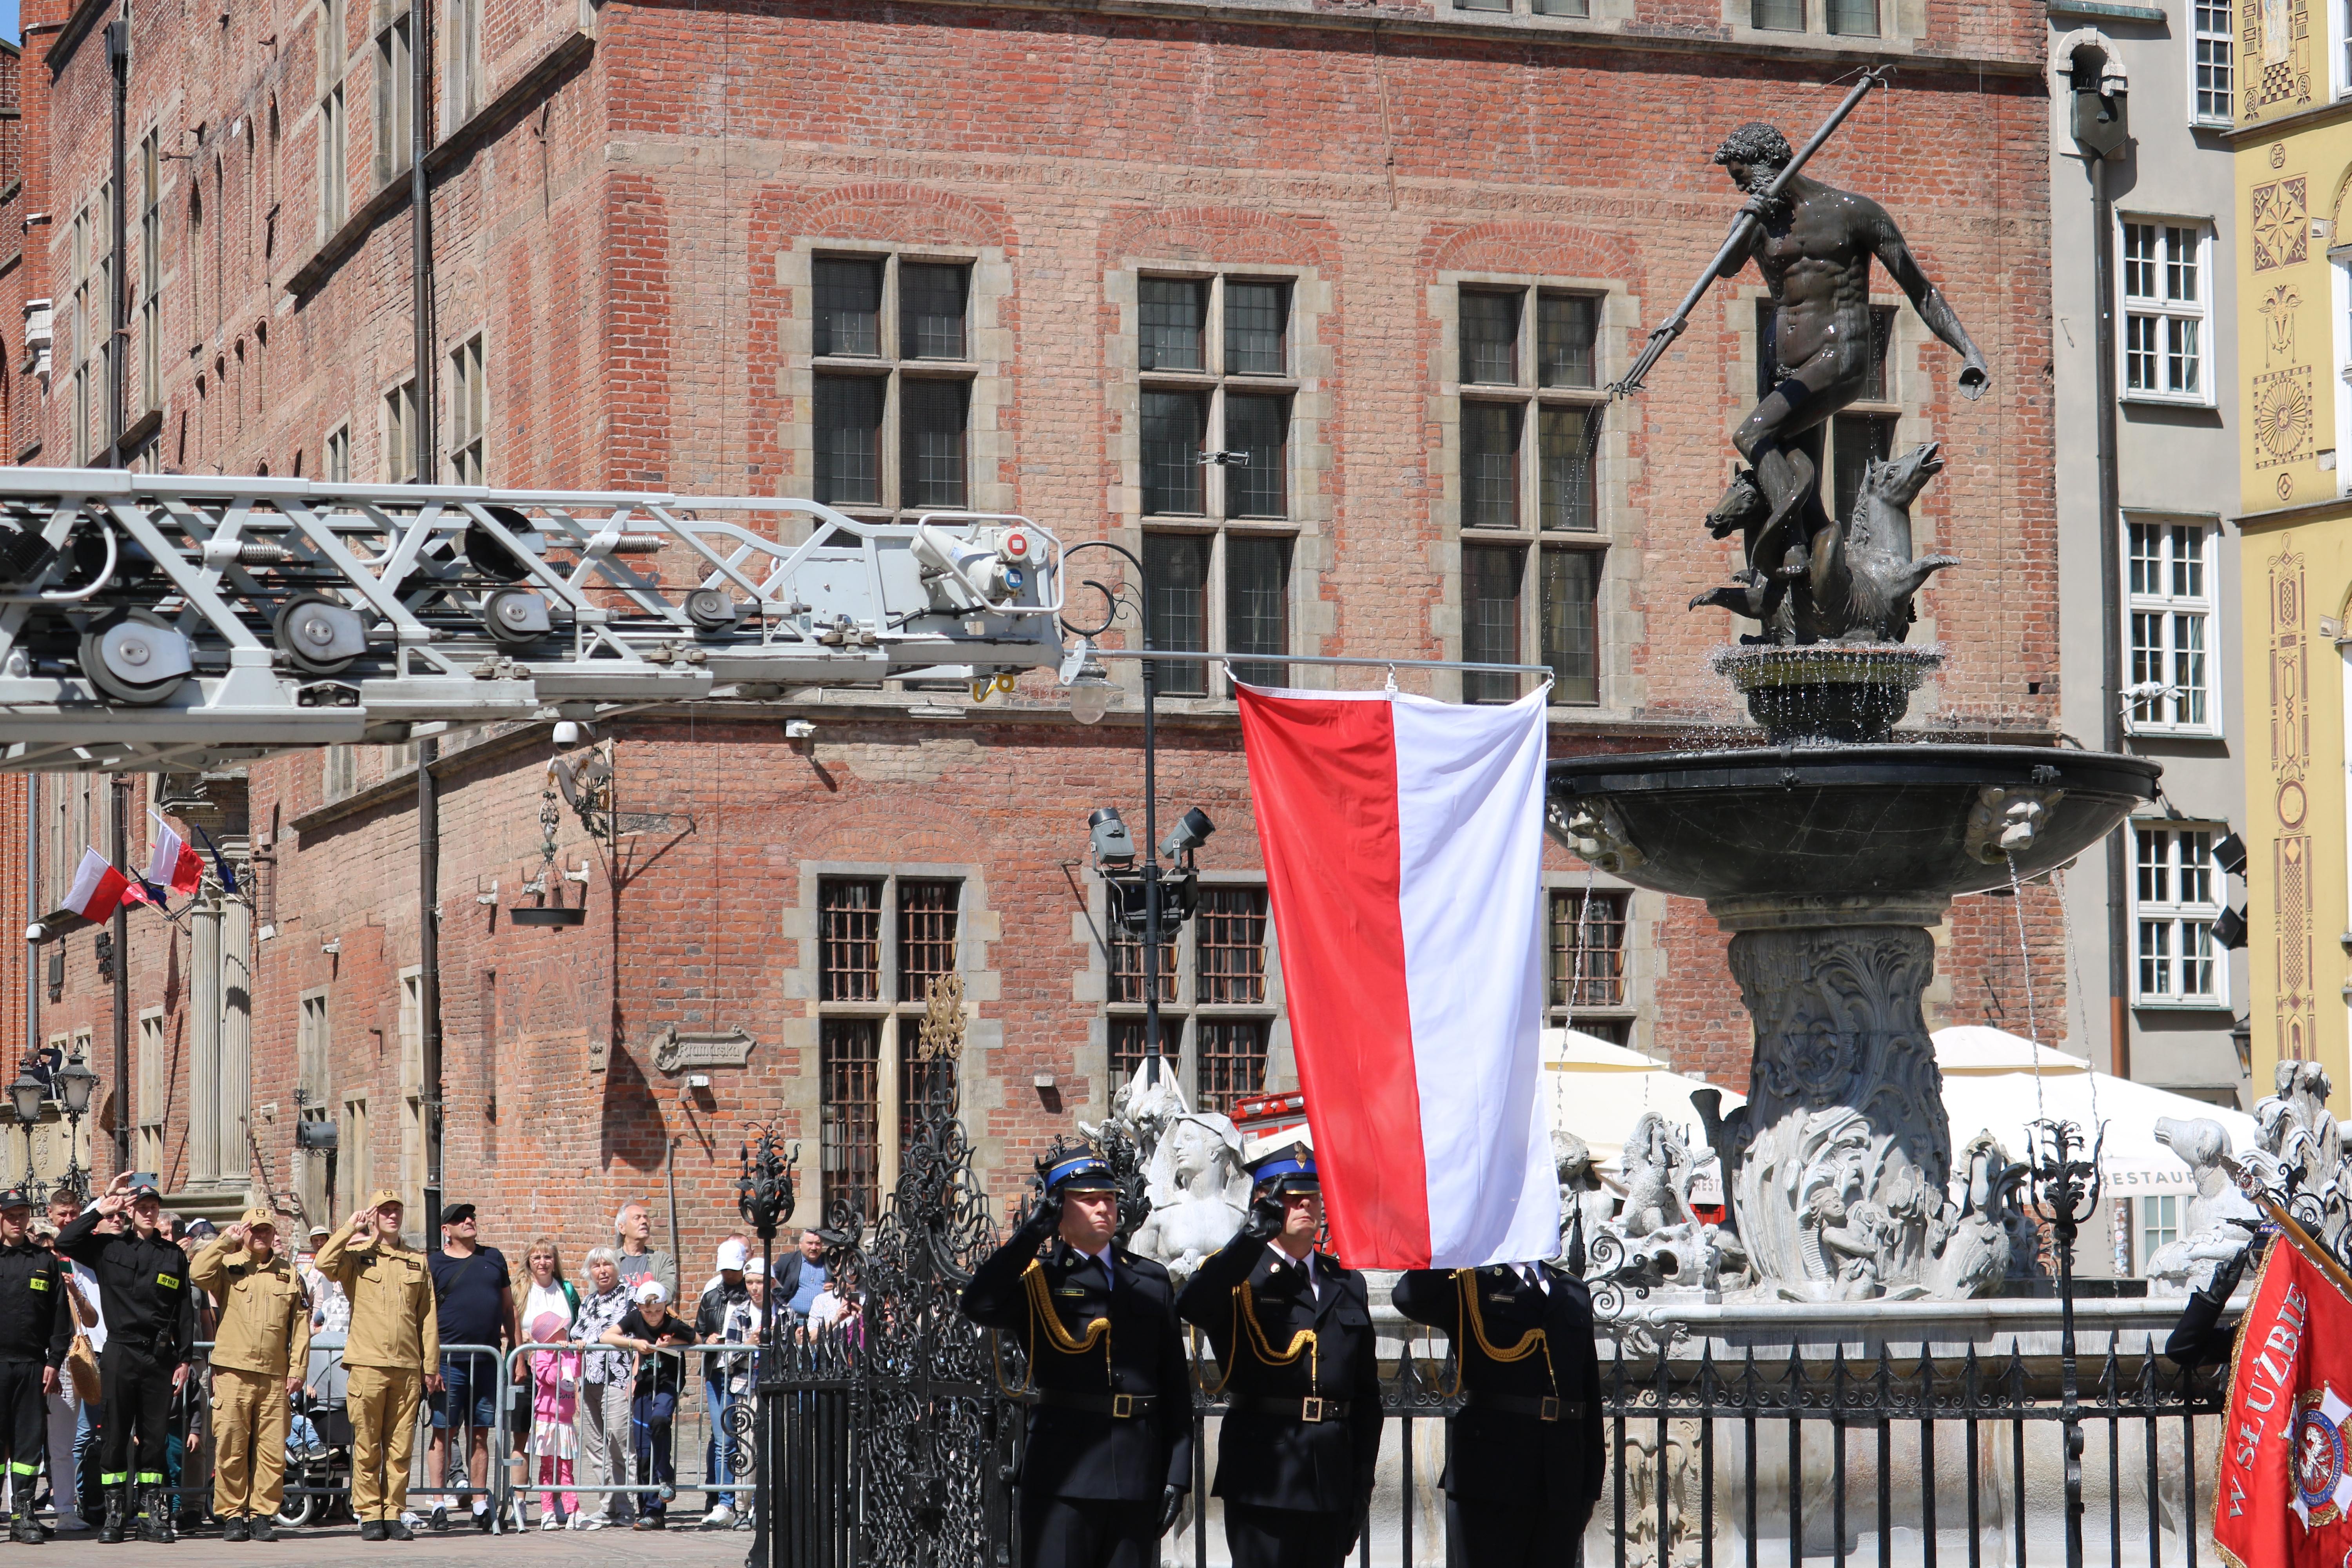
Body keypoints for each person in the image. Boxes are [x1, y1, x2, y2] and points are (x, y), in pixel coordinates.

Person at [1693, 120, 1991, 624]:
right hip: (1785, 368)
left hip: (1840, 357)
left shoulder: (1854, 213)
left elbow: (1919, 288)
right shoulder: (1760, 223)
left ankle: (1790, 545)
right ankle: (1826, 600)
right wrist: (1746, 219)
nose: (1741, 189)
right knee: (1799, 478)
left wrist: (1969, 350)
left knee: (1752, 435)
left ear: (1770, 163)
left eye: (1743, 178)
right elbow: (1724, 268)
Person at [960, 1141, 1192, 1568]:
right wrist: (1031, 1234)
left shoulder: (1151, 1279)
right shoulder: (1041, 1280)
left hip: (1136, 1471)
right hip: (1063, 1476)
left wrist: (1178, 1473)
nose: (1104, 1207)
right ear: (1059, 1210)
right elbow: (978, 1303)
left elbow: (1176, 1384)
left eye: (1109, 1198)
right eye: (1088, 1199)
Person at [1175, 1139, 1381, 1568]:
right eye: (1290, 1196)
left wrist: (1362, 1481)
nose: (1305, 1203)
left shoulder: (1347, 1282)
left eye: (1312, 1195)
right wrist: (1249, 1239)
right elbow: (1192, 1305)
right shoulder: (1237, 1273)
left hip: (1331, 1476)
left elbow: (1366, 1396)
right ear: (1264, 1202)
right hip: (1264, 1475)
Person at [1392, 1249, 1606, 1566]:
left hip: (1560, 1476)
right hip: (1490, 1476)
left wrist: (1590, 1483)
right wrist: (1460, 1244)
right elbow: (1409, 1297)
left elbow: (1588, 1390)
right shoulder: (1472, 1280)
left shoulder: (1572, 1289)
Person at [58, 1172, 194, 1544]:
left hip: (159, 1355)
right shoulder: (108, 1248)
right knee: (115, 1436)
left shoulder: (173, 1255)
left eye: (154, 1208)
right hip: (120, 1351)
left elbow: (184, 1310)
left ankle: (151, 1516)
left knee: (154, 1438)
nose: (149, 1213)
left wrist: (185, 1358)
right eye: (142, 1207)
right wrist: (101, 1208)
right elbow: (66, 1240)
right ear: (130, 1212)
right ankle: (115, 1517)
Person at [314, 1191, 441, 1543]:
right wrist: (349, 1228)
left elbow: (427, 1317)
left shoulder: (416, 1261)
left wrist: (431, 1365)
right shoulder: (358, 1257)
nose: (392, 1216)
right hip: (368, 1364)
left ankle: (393, 1512)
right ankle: (370, 1514)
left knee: (400, 1448)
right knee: (368, 1444)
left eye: (396, 1210)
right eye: (385, 1211)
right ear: (374, 1216)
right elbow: (324, 1263)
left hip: (406, 1365)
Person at [190, 1207, 312, 1543]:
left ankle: (261, 1515)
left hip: (274, 1375)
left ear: (274, 1234)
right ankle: (232, 1515)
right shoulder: (228, 1265)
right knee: (231, 1446)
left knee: (271, 1451)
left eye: (266, 1230)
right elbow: (197, 1272)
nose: (260, 1235)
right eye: (254, 1230)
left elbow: (301, 1325)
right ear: (244, 1232)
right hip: (234, 1371)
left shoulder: (289, 1273)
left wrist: (299, 1369)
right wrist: (224, 1241)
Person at [424, 1200, 514, 1533]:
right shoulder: (434, 1263)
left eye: (471, 1216)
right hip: (448, 1361)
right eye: (460, 1218)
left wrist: (517, 1352)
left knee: (480, 1433)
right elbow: (424, 1315)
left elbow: (509, 1308)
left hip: (487, 1359)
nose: (469, 1221)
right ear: (446, 1230)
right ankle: (438, 1503)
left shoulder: (494, 1258)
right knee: (443, 1432)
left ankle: (479, 1503)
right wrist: (428, 1364)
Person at [0, 1188, 69, 1544]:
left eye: (22, 1215)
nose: (17, 1221)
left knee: (28, 1447)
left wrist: (54, 1361)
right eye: (10, 1215)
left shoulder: (44, 1261)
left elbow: (60, 1317)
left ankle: (23, 1516)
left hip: (31, 1365)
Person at [601, 1279, 696, 1531]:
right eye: (647, 1311)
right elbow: (606, 1335)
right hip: (643, 1385)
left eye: (658, 1311)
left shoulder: (672, 1323)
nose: (653, 1316)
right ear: (639, 1308)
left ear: (665, 1306)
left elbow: (697, 1338)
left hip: (667, 1384)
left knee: (660, 1421)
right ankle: (650, 1511)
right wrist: (634, 1344)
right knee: (643, 1451)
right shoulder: (635, 1319)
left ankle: (666, 1476)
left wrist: (671, 1343)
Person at [506, 1239, 576, 1530]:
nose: (543, 1262)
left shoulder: (566, 1290)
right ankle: (519, 1500)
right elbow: (505, 1325)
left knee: (557, 1440)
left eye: (548, 1257)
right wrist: (521, 1348)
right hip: (527, 1369)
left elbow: (578, 1326)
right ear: (528, 1261)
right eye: (536, 1257)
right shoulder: (520, 1289)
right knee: (522, 1437)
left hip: (558, 1374)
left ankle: (556, 1500)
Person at [572, 1247, 635, 1529]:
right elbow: (579, 1335)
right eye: (596, 1266)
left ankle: (628, 1506)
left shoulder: (629, 1296)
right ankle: (608, 1505)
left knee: (620, 1442)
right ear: (590, 1272)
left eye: (607, 1265)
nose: (602, 1271)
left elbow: (635, 1333)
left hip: (617, 1377)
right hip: (589, 1380)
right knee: (596, 1446)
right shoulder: (587, 1302)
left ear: (616, 1268)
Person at [694, 1239, 753, 1529]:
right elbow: (698, 1331)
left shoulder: (752, 1294)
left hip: (744, 1373)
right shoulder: (712, 1295)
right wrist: (706, 1340)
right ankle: (724, 1501)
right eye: (725, 1269)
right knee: (723, 1440)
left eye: (734, 1269)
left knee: (745, 1439)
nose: (729, 1274)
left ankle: (746, 1501)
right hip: (718, 1373)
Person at [41, 1193, 92, 1534]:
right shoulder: (37, 1258)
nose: (69, 1220)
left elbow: (92, 1315)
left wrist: (75, 1292)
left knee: (63, 1442)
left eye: (75, 1214)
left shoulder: (84, 1259)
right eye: (63, 1214)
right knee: (18, 1443)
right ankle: (18, 1510)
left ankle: (65, 1509)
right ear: (50, 1214)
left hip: (69, 1358)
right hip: (35, 1357)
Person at [2166, 1222, 2267, 1368]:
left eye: (2270, 1259)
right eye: (2259, 1259)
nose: (2260, 1269)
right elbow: (2181, 1351)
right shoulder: (2255, 1331)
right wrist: (2212, 1301)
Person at [524, 1312, 581, 1529]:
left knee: (567, 1468)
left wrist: (578, 1353)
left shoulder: (566, 1352)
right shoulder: (540, 1355)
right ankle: (547, 1511)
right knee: (548, 1469)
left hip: (565, 1420)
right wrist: (557, 1355)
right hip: (547, 1420)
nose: (566, 1331)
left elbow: (576, 1372)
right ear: (550, 1336)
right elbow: (550, 1378)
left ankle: (573, 1511)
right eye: (561, 1329)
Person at [612, 1204, 677, 1304]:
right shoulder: (610, 1261)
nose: (644, 1222)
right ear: (622, 1228)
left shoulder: (662, 1260)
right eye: (637, 1218)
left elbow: (666, 1294)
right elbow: (599, 1296)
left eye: (646, 1218)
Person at [774, 1227, 828, 1325]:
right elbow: (769, 1279)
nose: (814, 1248)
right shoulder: (787, 1261)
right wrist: (780, 1304)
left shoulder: (829, 1262)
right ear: (800, 1244)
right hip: (796, 1321)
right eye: (810, 1243)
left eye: (818, 1244)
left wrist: (834, 1288)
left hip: (824, 1321)